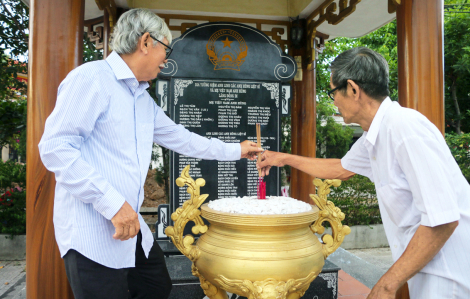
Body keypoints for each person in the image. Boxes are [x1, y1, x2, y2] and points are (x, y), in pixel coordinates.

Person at [38, 8, 262, 299]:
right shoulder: (90, 79)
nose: (166, 59)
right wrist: (114, 204)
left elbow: (181, 138)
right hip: (92, 230)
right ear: (145, 42)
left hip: (132, 228)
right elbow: (56, 148)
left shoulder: (141, 99)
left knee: (157, 286)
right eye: (165, 48)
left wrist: (237, 150)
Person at [257, 47, 470, 299]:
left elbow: (443, 219)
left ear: (353, 89)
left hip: (448, 272)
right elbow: (340, 169)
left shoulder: (404, 128)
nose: (333, 100)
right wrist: (280, 158)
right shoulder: (375, 134)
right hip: (426, 266)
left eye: (333, 91)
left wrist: (387, 284)